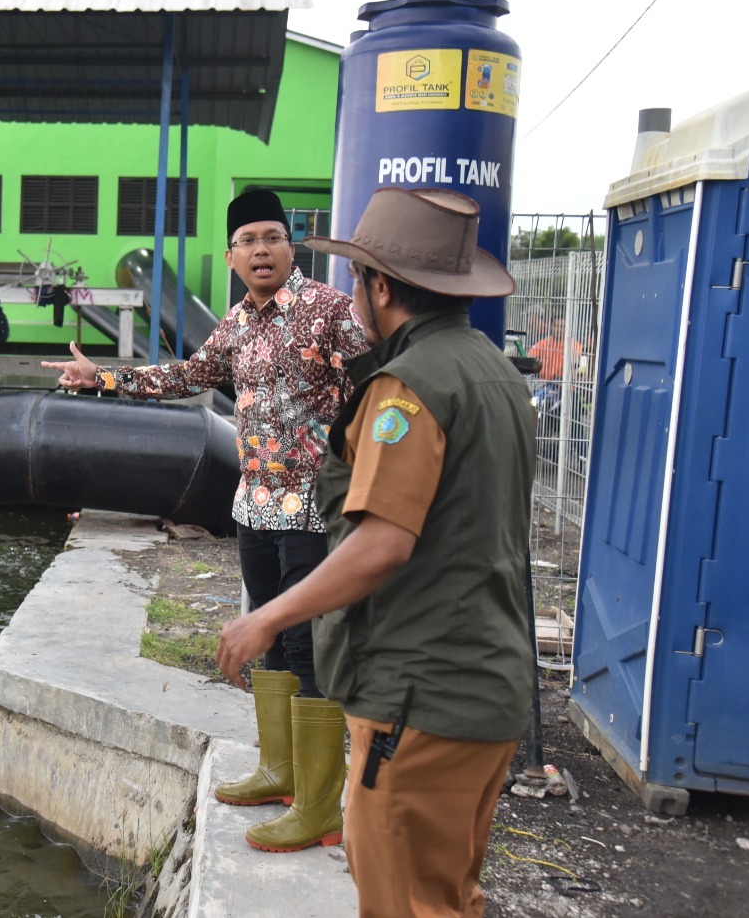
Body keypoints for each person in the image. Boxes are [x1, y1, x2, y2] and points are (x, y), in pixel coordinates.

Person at [215, 186, 536, 917]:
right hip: (487, 684)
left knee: (401, 897)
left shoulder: (408, 390)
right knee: (444, 892)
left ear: (382, 286)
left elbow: (383, 541)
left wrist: (266, 619)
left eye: (359, 274)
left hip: (424, 693)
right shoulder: (491, 370)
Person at [44, 188, 367, 849]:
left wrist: (356, 471)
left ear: (291, 245)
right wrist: (102, 380)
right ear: (231, 255)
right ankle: (279, 771)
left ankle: (320, 806)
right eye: (248, 240)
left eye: (272, 236)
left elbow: (374, 385)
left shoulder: (330, 312)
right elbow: (188, 375)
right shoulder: (238, 324)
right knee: (272, 640)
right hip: (255, 506)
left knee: (305, 644)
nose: (261, 250)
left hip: (314, 510)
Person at [529, 314, 581, 382]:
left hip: (563, 384)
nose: (559, 329)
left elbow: (578, 367)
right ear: (551, 327)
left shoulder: (574, 345)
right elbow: (530, 356)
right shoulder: (543, 343)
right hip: (543, 382)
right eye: (556, 326)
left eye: (562, 326)